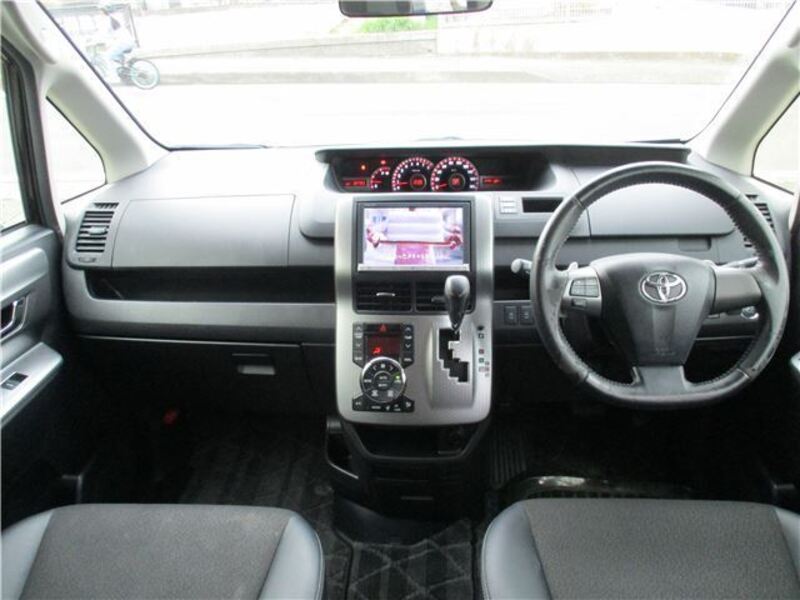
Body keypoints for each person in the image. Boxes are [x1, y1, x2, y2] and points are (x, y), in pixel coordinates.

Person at [100, 2, 135, 69]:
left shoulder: (108, 19)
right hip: (128, 41)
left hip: (123, 42)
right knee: (117, 56)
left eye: (101, 11)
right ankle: (124, 68)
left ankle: (113, 75)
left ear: (104, 11)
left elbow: (104, 33)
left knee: (107, 56)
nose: (100, 13)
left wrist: (95, 39)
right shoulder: (114, 17)